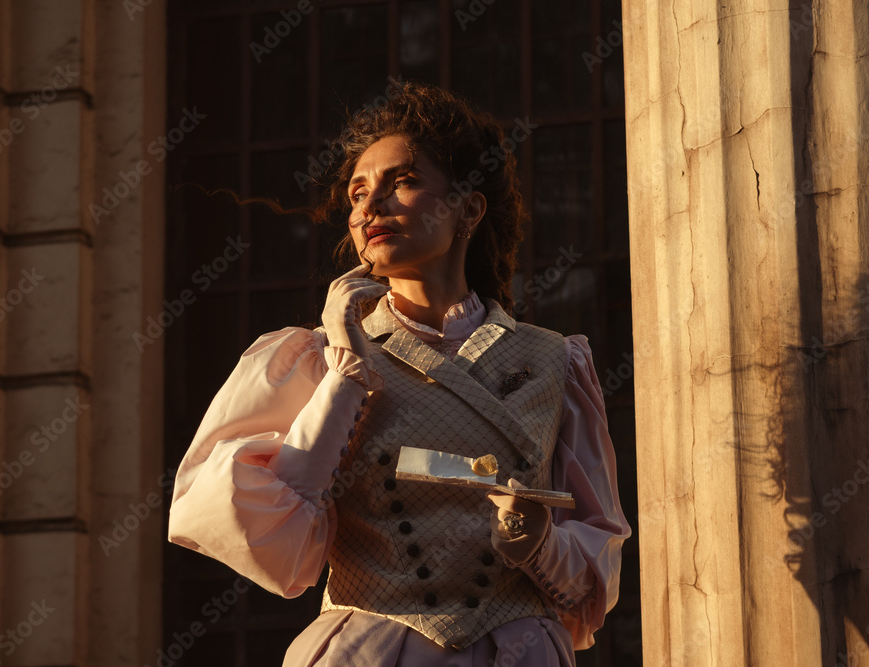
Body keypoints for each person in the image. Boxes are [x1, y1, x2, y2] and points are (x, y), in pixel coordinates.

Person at [168, 81, 631, 666]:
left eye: (402, 182)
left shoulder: (556, 361)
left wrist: (539, 543)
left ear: (468, 209)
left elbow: (591, 587)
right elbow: (277, 548)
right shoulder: (314, 359)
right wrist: (345, 373)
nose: (370, 208)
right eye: (359, 193)